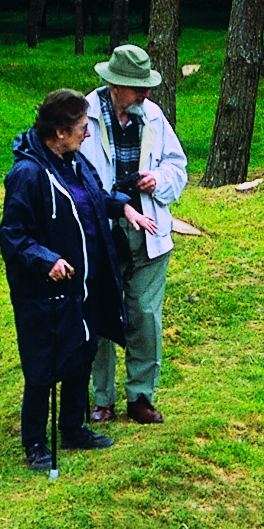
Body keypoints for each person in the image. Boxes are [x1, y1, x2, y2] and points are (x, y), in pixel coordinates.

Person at [0, 88, 159, 472]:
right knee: (43, 364)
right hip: (47, 289)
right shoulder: (27, 175)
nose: (88, 134)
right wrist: (47, 260)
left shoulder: (76, 162)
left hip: (85, 282)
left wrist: (123, 207)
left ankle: (73, 427)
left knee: (81, 352)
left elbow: (95, 197)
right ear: (59, 132)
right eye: (82, 128)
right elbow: (13, 236)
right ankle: (36, 442)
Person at [80, 44, 188, 426]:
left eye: (146, 86)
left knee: (145, 315)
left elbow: (178, 167)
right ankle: (102, 399)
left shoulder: (153, 116)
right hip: (99, 231)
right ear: (115, 85)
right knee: (100, 315)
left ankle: (141, 397)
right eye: (137, 87)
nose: (145, 93)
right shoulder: (84, 115)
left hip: (148, 230)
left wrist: (156, 179)